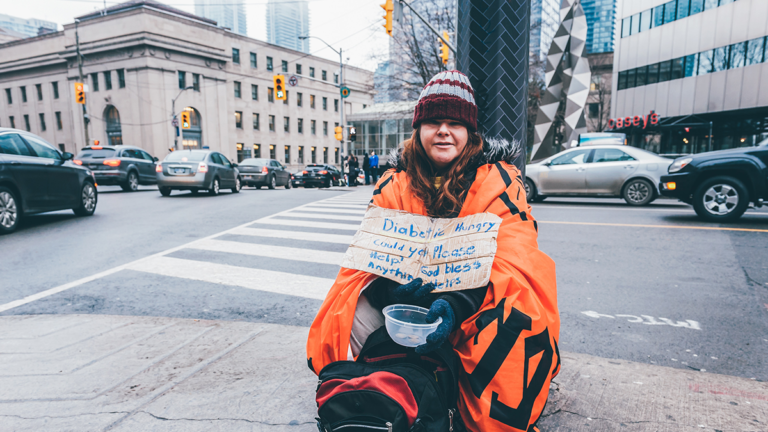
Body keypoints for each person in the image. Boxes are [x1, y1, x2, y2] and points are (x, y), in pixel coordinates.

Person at [307, 71, 559, 431]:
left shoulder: (500, 180)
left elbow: (514, 254)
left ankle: (478, 414)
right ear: (418, 129)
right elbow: (368, 257)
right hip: (403, 305)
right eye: (433, 121)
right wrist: (386, 293)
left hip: (473, 303)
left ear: (470, 132)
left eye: (455, 122)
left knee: (518, 306)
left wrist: (456, 305)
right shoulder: (392, 182)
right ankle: (372, 388)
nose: (443, 131)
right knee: (344, 309)